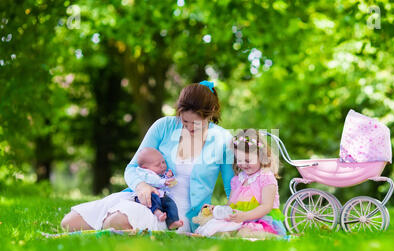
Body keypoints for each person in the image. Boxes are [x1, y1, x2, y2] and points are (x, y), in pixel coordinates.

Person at [60, 80, 234, 233]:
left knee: (117, 221)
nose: (188, 127)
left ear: (211, 112)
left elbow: (232, 188)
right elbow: (132, 168)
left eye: (194, 123)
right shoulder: (164, 126)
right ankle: (121, 220)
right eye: (184, 121)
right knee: (69, 223)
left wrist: (238, 213)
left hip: (175, 212)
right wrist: (141, 186)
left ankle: (123, 222)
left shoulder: (222, 139)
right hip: (144, 196)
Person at [196, 129, 287, 237]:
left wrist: (245, 216)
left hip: (261, 220)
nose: (243, 164)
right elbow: (230, 206)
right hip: (240, 219)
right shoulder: (238, 179)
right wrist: (217, 209)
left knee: (247, 233)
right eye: (239, 160)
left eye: (248, 160)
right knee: (214, 225)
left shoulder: (266, 177)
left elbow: (266, 207)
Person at [133, 147, 183, 230]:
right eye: (157, 164)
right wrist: (163, 182)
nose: (163, 166)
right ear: (145, 167)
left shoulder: (159, 174)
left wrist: (169, 177)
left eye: (163, 162)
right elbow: (151, 180)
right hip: (147, 195)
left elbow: (165, 181)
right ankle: (157, 212)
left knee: (171, 203)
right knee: (153, 199)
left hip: (161, 195)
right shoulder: (143, 172)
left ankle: (172, 221)